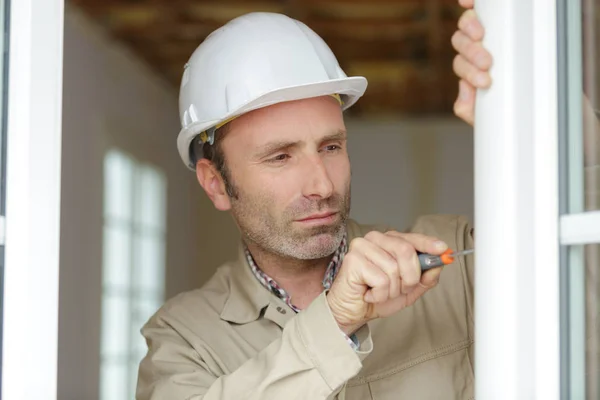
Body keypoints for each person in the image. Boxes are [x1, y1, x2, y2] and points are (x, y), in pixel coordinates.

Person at [136, 10, 476, 400]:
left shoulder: (453, 265)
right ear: (216, 183)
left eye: (331, 147)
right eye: (280, 156)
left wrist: (507, 121)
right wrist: (334, 321)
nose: (322, 184)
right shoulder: (184, 339)